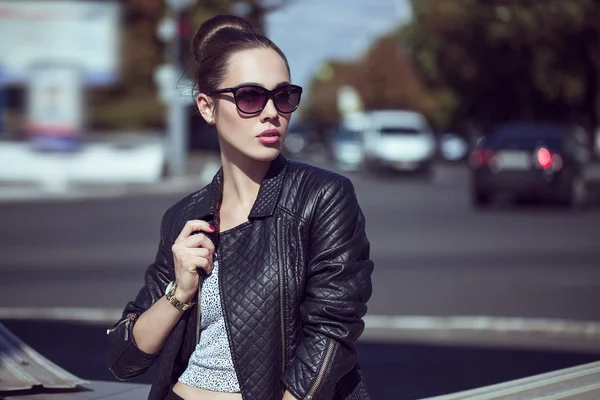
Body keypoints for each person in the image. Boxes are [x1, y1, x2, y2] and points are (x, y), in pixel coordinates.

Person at [107, 14, 373, 400]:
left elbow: (332, 333)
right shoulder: (184, 218)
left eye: (283, 96)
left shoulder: (323, 196)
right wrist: (180, 291)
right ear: (207, 107)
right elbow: (124, 359)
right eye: (250, 96)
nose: (271, 112)